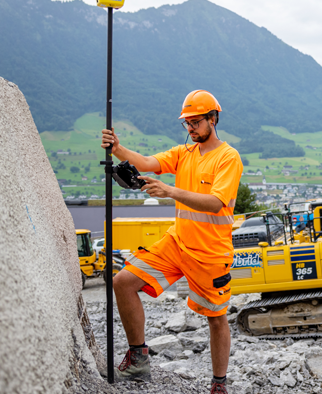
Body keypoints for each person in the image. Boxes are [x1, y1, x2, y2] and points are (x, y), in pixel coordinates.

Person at [101, 90, 242, 394]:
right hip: (177, 243)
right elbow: (148, 162)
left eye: (195, 122)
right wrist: (118, 149)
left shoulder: (228, 157)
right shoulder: (184, 153)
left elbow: (215, 203)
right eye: (186, 123)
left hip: (210, 254)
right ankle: (138, 359)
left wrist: (170, 191)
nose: (190, 128)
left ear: (213, 119)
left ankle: (219, 385)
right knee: (123, 282)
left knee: (216, 320)